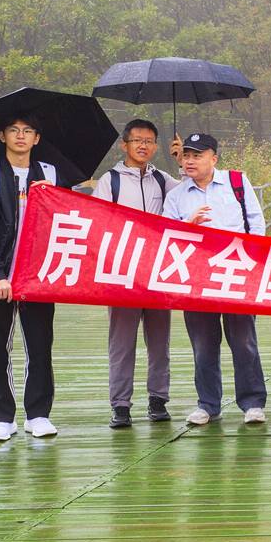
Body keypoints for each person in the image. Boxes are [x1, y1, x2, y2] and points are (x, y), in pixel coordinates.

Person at [0, 114, 61, 443]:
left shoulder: (51, 175)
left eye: (28, 130)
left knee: (40, 347)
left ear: (37, 138)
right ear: (2, 136)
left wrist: (52, 197)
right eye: (14, 130)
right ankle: (2, 418)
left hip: (38, 278)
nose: (21, 136)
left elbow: (70, 219)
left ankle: (38, 415)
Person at [162, 133, 269, 426]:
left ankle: (252, 403)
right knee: (203, 345)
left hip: (236, 275)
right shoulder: (176, 196)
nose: (190, 161)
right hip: (196, 280)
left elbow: (256, 224)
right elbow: (166, 238)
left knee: (244, 341)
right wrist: (189, 224)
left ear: (214, 159)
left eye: (197, 155)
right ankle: (208, 405)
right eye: (186, 155)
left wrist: (253, 265)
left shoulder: (237, 183)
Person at [91, 119, 179, 428]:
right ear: (124, 145)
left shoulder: (163, 179)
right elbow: (97, 222)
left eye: (150, 141)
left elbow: (191, 195)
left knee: (160, 342)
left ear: (155, 147)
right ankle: (120, 405)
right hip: (122, 274)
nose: (143, 145)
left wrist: (182, 162)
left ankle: (158, 399)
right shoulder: (110, 181)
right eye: (137, 140)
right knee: (122, 343)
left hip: (157, 273)